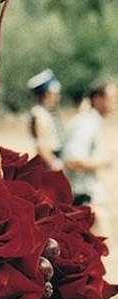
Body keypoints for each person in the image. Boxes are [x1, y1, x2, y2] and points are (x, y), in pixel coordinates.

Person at [62, 78, 117, 238]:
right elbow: (73, 160)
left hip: (87, 198)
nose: (115, 102)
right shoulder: (87, 123)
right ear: (98, 99)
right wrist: (105, 162)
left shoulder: (92, 121)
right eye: (112, 98)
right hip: (84, 199)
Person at [26, 68, 65, 171]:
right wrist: (53, 162)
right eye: (54, 94)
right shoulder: (39, 114)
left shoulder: (46, 112)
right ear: (46, 94)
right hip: (50, 162)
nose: (57, 97)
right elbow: (42, 145)